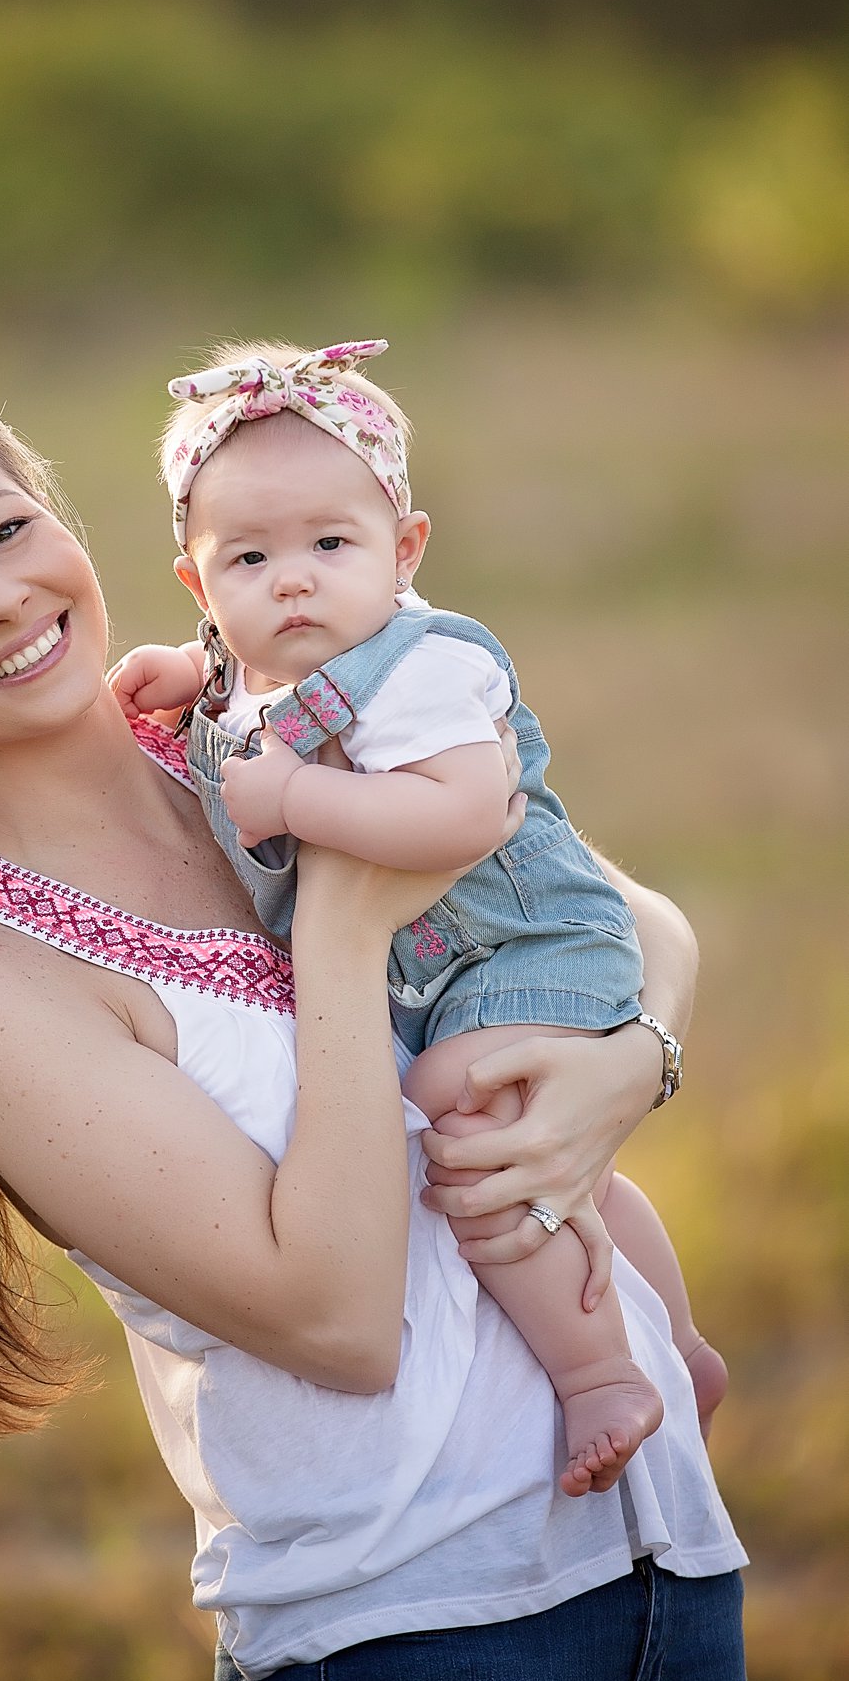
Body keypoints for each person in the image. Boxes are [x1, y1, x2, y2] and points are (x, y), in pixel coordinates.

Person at [0, 370, 745, 1681]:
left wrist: (632, 1065)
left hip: (672, 1557)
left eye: (7, 530)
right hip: (416, 1627)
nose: (2, 596)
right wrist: (342, 938)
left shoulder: (253, 729)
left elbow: (628, 918)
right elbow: (338, 1323)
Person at [110, 338, 728, 1501]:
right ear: (198, 585)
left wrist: (291, 795)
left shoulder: (425, 665)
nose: (292, 581)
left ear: (403, 551)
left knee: (472, 1124)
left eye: (330, 546)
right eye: (248, 557)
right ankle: (679, 1347)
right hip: (441, 973)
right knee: (560, 1161)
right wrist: (185, 675)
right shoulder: (249, 665)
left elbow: (463, 811)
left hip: (525, 939)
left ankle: (600, 1373)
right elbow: (245, 691)